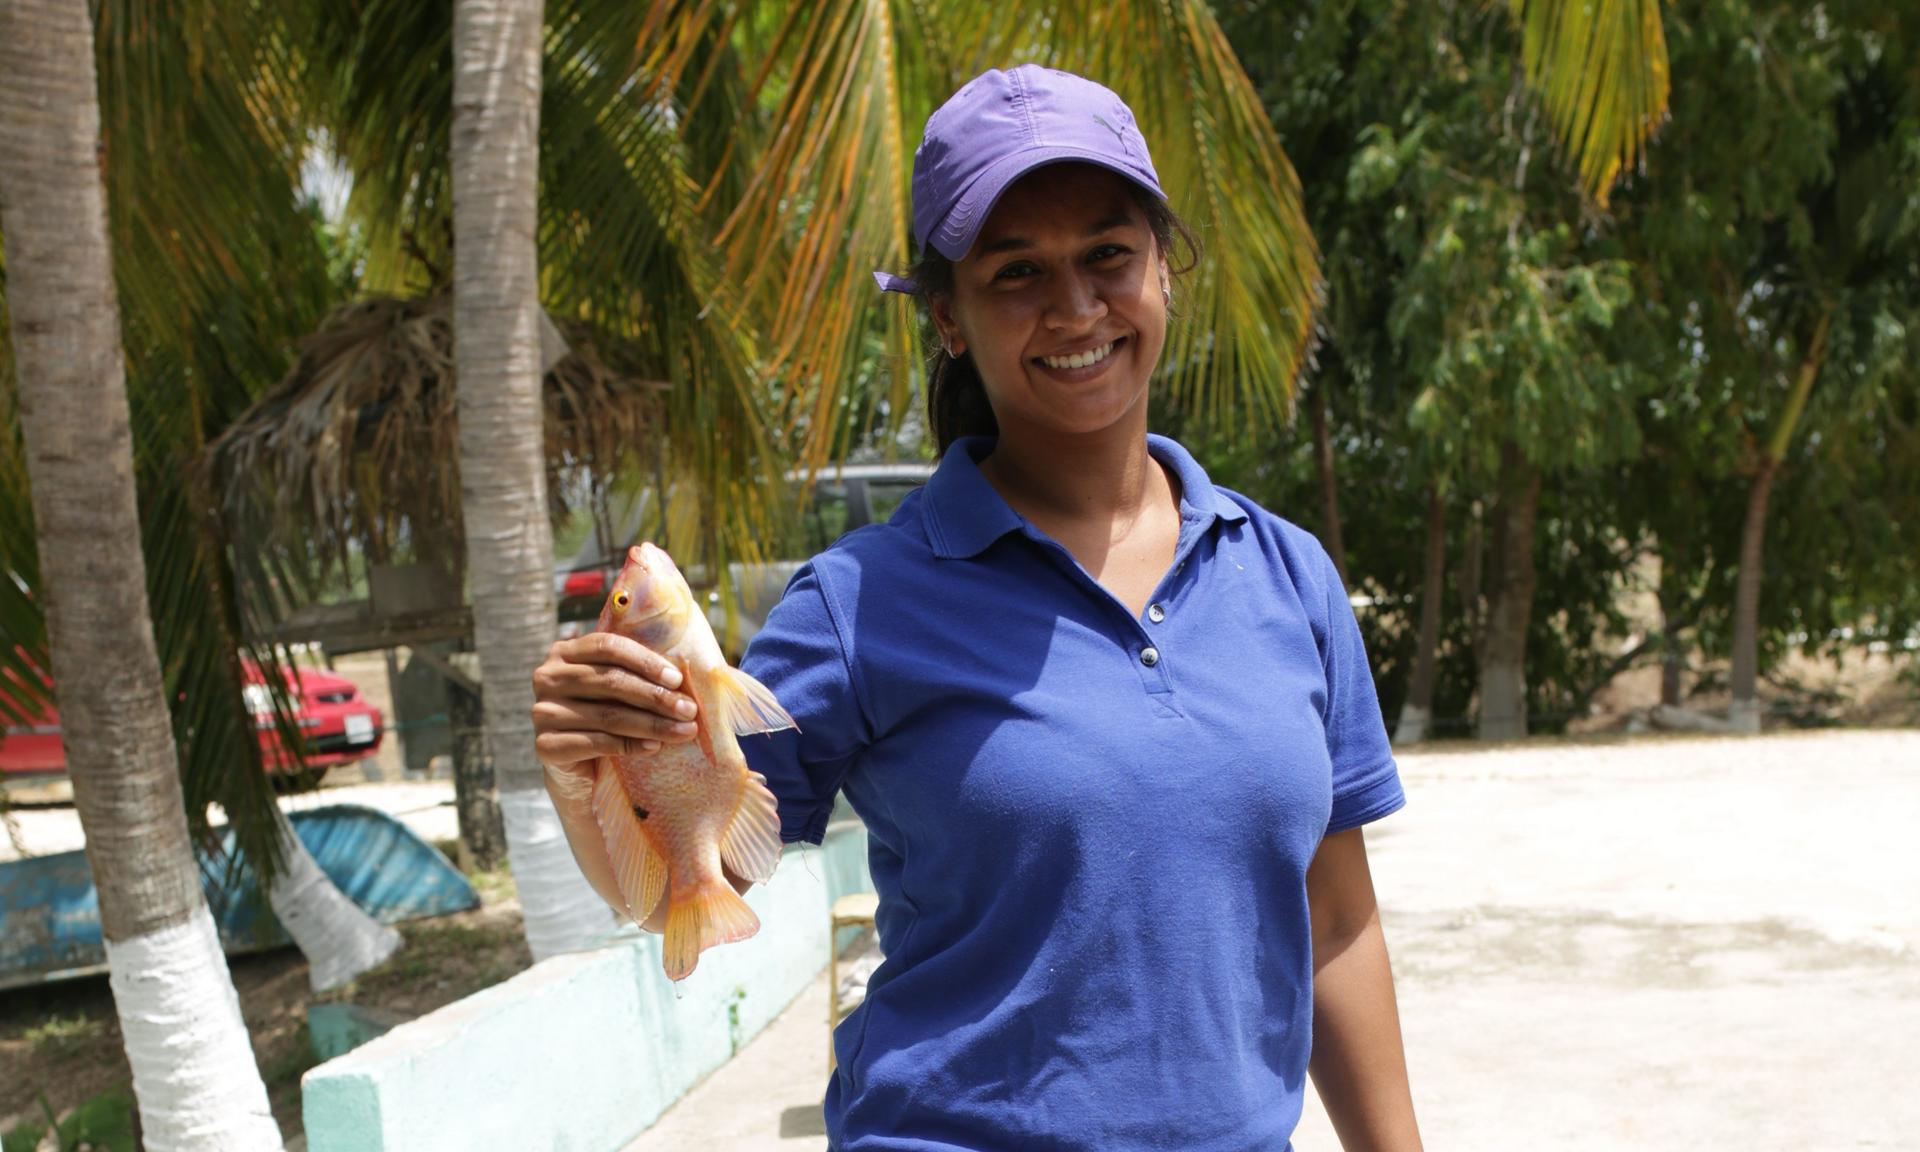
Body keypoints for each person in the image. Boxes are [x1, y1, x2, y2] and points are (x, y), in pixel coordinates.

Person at [532, 64, 1423, 1152]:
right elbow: (691, 873)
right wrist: (590, 771)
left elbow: (1335, 926)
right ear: (947, 317)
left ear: (1165, 270)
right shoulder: (859, 602)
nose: (1076, 307)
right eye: (1017, 273)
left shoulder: (1286, 576)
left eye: (1108, 255)